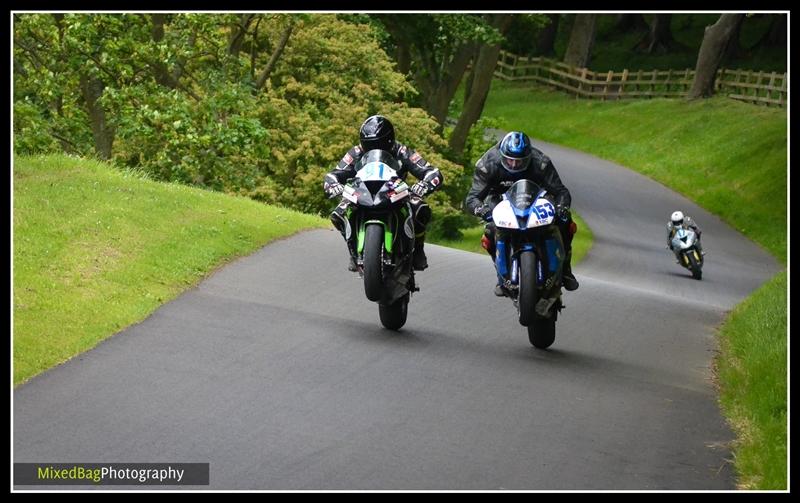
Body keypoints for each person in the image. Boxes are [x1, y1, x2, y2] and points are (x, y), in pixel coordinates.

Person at [464, 131, 579, 296]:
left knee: (565, 222)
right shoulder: (488, 164)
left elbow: (560, 191)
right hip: (501, 199)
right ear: (502, 155)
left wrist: (562, 207)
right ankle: (501, 275)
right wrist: (481, 209)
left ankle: (566, 268)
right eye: (509, 160)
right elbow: (473, 197)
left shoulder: (541, 163)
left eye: (520, 161)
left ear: (529, 157)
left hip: (537, 198)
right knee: (490, 229)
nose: (514, 165)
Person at [323, 115, 444, 272]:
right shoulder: (356, 152)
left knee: (421, 207)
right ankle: (353, 250)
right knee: (338, 213)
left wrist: (424, 184)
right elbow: (335, 173)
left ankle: (418, 250)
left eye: (377, 145)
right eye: (369, 146)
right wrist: (333, 184)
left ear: (389, 140)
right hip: (363, 191)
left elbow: (431, 171)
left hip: (397, 193)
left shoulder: (403, 151)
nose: (373, 149)